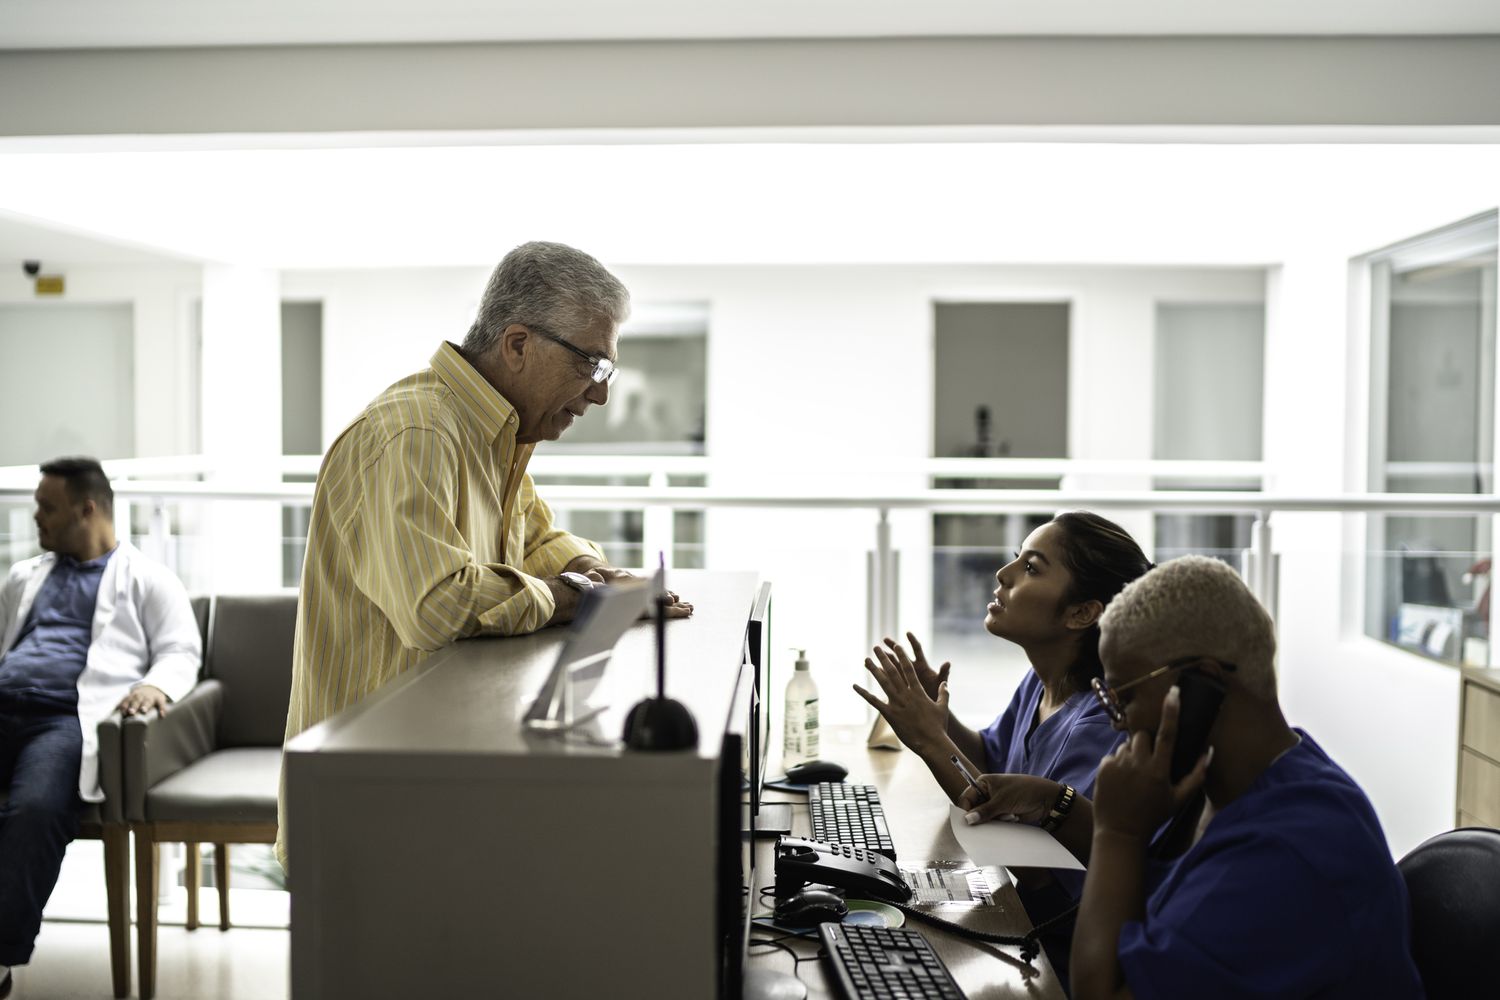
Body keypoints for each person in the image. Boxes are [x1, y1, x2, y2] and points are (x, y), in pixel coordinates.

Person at [277, 241, 691, 872]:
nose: (599, 396)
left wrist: (597, 571)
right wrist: (577, 598)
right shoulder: (415, 435)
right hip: (370, 806)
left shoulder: (492, 432)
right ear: (518, 344)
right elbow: (436, 604)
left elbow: (536, 542)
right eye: (591, 365)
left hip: (433, 781)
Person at [963, 556, 1424, 999]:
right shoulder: (1246, 780)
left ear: (1202, 684)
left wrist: (1118, 832)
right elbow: (1159, 893)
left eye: (1123, 696)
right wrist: (1055, 804)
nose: (1118, 722)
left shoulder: (1289, 847)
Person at [855, 510, 1151, 981]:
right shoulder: (1041, 683)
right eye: (1017, 559)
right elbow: (991, 760)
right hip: (1018, 913)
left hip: (1058, 951)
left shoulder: (1098, 726)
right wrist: (941, 716)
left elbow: (1027, 854)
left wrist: (931, 742)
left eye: (1031, 568)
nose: (1003, 574)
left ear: (1080, 613)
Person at [0, 458, 201, 996]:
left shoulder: (149, 580)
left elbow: (182, 650)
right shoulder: (24, 577)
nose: (36, 518)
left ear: (87, 509)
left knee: (35, 809)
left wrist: (156, 685)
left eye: (48, 507)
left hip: (64, 720)